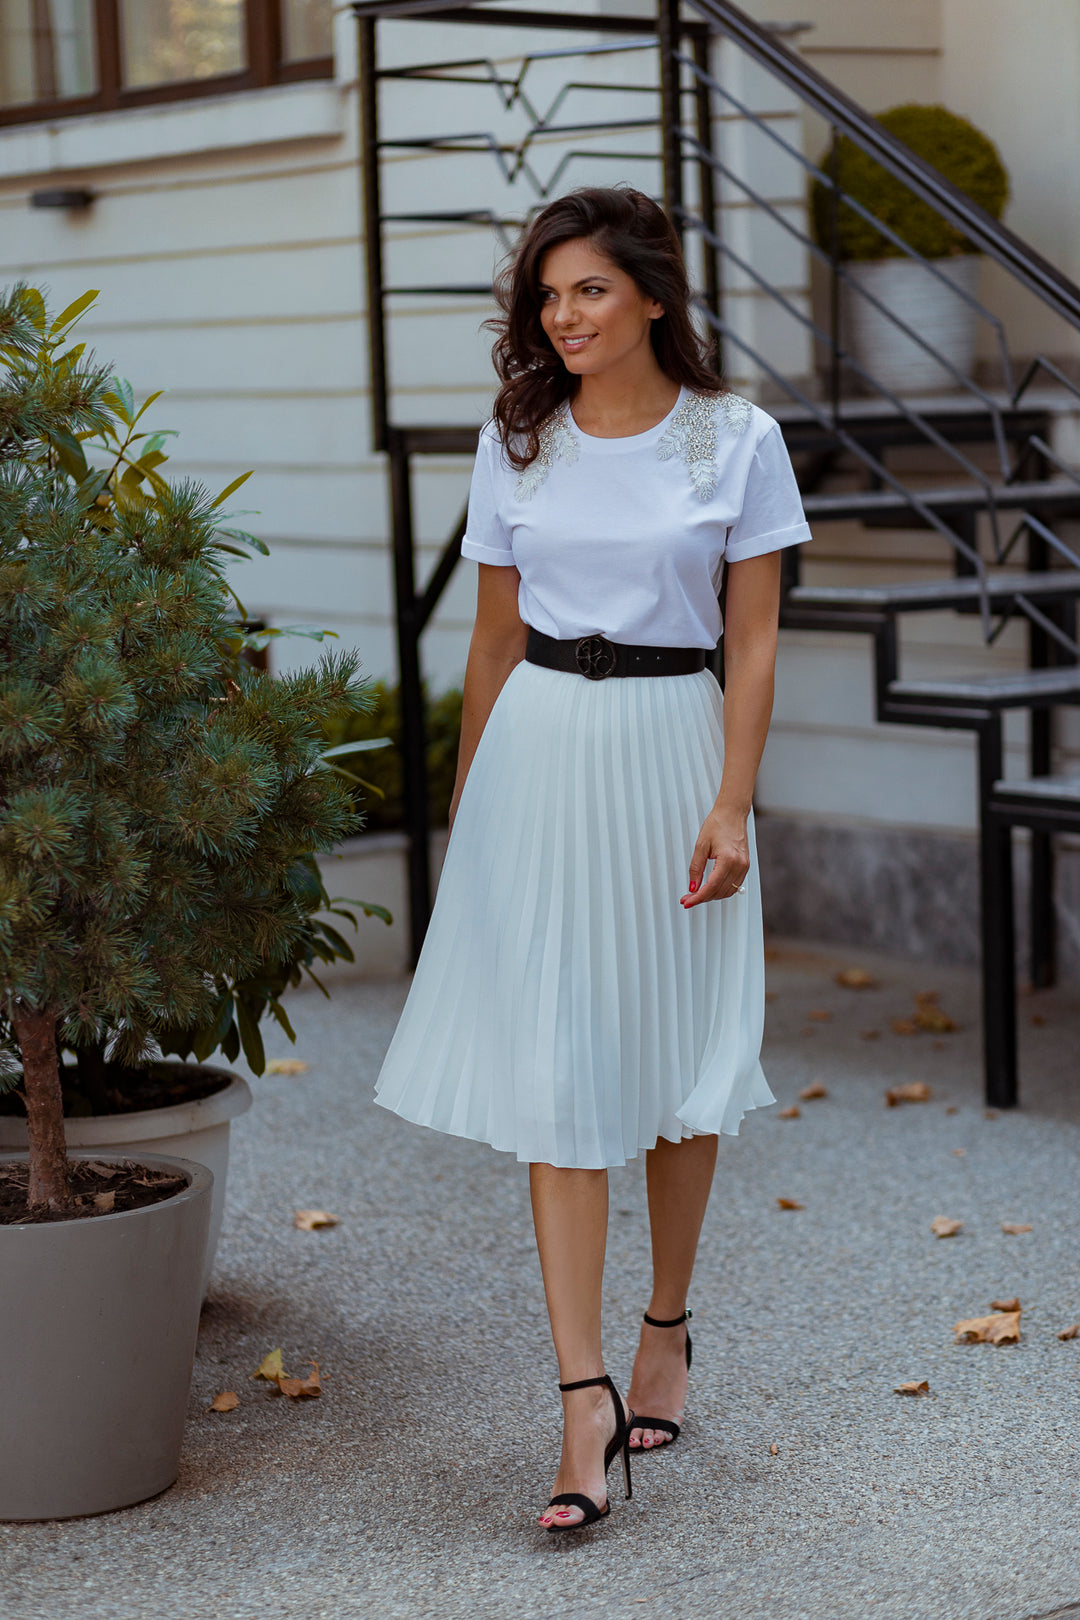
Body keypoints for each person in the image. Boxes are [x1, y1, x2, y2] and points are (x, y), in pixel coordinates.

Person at [374, 185, 811, 1532]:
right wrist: (466, 814)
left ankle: (665, 1327)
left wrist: (733, 804)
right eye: (548, 296)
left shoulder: (737, 442)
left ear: (654, 301)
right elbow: (493, 641)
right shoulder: (518, 443)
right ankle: (583, 1405)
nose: (562, 316)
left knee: (678, 1068)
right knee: (561, 1078)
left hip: (676, 753)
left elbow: (751, 641)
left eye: (589, 293)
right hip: (541, 757)